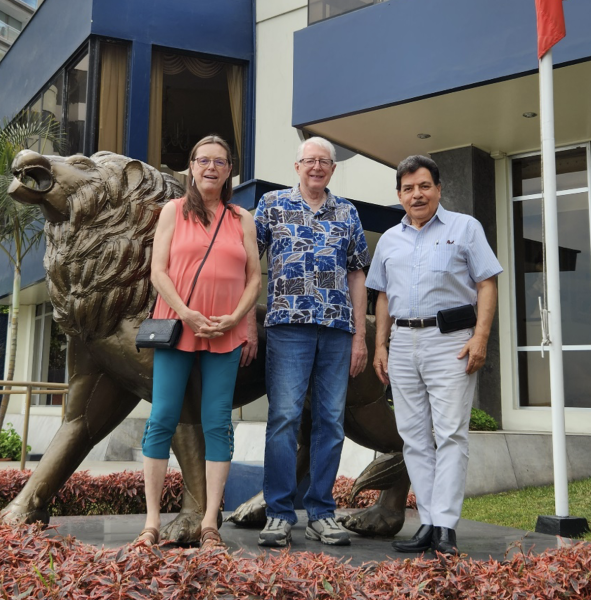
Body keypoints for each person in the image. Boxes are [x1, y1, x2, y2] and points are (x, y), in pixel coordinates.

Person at [366, 155, 502, 556]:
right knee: (413, 437)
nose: (417, 194)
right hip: (404, 344)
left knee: (450, 433)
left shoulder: (465, 227)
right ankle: (427, 522)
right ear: (399, 195)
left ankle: (445, 526)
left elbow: (487, 283)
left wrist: (481, 337)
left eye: (424, 186)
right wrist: (380, 344)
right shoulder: (390, 239)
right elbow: (383, 295)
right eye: (408, 188)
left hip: (451, 341)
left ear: (438, 189)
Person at [137, 135, 261, 549]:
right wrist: (186, 312)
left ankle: (210, 522)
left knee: (217, 424)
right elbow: (158, 271)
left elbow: (255, 277)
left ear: (229, 171)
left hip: (225, 332)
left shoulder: (242, 218)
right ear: (191, 166)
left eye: (220, 162)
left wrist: (237, 316)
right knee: (162, 419)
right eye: (203, 159)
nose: (211, 167)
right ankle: (151, 522)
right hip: (177, 326)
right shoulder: (172, 211)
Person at [251, 137, 370, 547]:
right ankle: (279, 514)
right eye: (310, 161)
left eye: (324, 162)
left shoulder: (348, 212)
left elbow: (357, 273)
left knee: (331, 422)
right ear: (297, 166)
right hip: (288, 326)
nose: (317, 167)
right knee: (283, 418)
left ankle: (322, 513)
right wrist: (247, 319)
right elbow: (249, 261)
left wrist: (360, 335)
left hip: (337, 329)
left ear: (332, 170)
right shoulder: (272, 205)